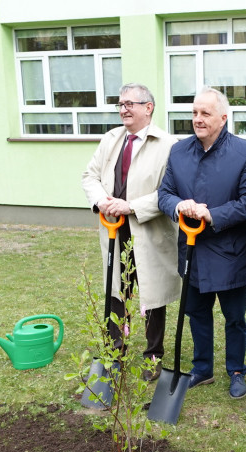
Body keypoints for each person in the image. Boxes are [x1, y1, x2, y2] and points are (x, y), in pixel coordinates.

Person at [158, 87, 246, 399]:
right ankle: (202, 369)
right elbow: (164, 193)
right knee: (197, 313)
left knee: (235, 318)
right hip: (192, 251)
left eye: (205, 113)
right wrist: (180, 206)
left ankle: (236, 370)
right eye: (194, 112)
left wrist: (210, 214)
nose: (198, 119)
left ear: (223, 117)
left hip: (230, 252)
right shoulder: (179, 152)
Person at [81, 83, 181, 382]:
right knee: (116, 290)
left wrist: (131, 206)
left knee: (153, 291)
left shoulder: (168, 144)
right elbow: (90, 176)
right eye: (120, 104)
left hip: (148, 229)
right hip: (114, 229)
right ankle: (115, 351)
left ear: (148, 107)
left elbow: (169, 190)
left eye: (130, 104)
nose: (123, 109)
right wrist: (102, 201)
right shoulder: (111, 139)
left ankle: (153, 355)